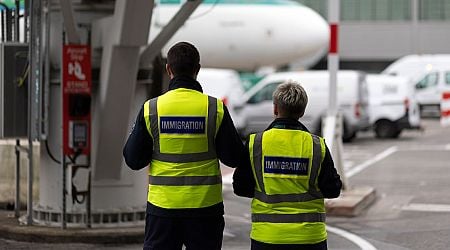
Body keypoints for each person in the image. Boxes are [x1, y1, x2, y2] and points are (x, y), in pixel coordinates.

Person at [123, 41, 246, 250]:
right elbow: (234, 158)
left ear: (168, 69)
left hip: (163, 208)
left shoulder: (151, 109)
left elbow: (133, 160)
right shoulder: (214, 108)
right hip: (205, 209)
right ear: (197, 70)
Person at [233, 80, 342, 250]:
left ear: (275, 108)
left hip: (267, 238)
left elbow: (240, 188)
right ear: (302, 111)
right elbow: (333, 190)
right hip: (309, 238)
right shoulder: (316, 146)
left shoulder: (256, 143)